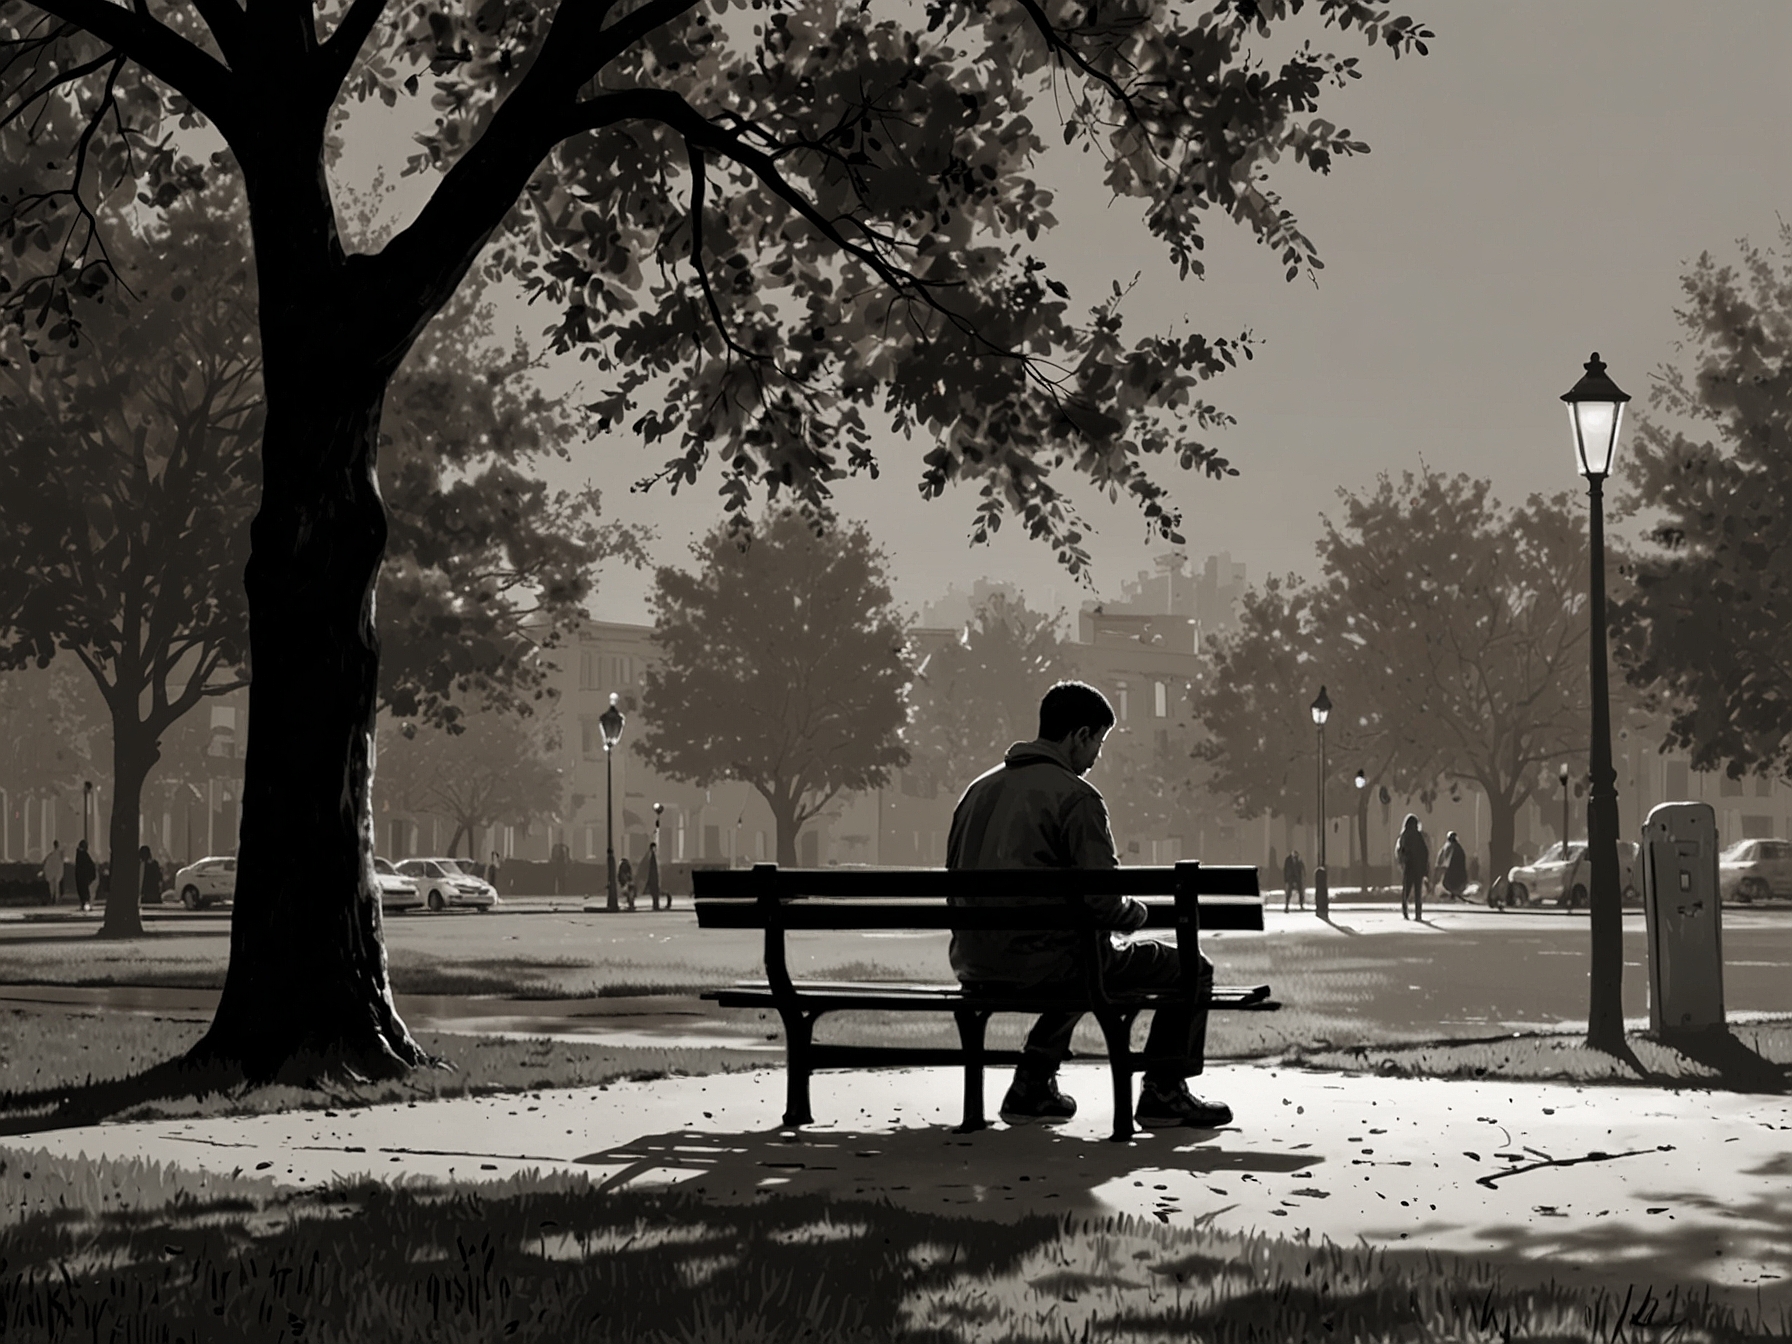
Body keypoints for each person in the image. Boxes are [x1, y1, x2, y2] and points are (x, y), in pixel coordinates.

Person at [946, 680, 1231, 1131]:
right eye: (1098, 741)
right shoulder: (1076, 797)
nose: (1097, 755)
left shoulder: (976, 792)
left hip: (976, 961)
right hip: (1049, 961)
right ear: (1079, 735)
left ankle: (1033, 1085)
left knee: (1084, 954)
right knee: (1189, 966)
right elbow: (1103, 901)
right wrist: (1136, 914)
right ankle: (1164, 1090)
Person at [1395, 814, 1429, 920]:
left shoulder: (1404, 835)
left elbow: (1401, 851)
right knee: (1417, 893)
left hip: (1409, 867)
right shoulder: (1419, 836)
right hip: (1418, 868)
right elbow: (1425, 852)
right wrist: (1424, 868)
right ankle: (1418, 914)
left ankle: (1405, 911)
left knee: (1407, 891)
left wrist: (1403, 862)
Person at [1435, 830, 1468, 903]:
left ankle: (1452, 895)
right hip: (1455, 874)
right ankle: (1453, 895)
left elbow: (1441, 861)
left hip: (1450, 874)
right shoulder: (1457, 848)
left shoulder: (1447, 847)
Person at [74, 839, 97, 914]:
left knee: (83, 891)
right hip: (84, 878)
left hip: (80, 877)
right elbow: (90, 866)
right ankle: (86, 904)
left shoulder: (79, 855)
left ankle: (84, 904)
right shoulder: (84, 855)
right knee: (86, 891)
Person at [1281, 849, 1305, 914]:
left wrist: (1302, 877)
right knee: (1288, 893)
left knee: (1301, 892)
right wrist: (1286, 879)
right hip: (1290, 879)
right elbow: (1285, 870)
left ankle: (1301, 905)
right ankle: (1286, 906)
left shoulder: (1299, 860)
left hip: (1297, 878)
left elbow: (1302, 868)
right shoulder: (1288, 860)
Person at [41, 840, 64, 905]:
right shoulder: (58, 853)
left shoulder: (53, 853)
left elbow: (45, 861)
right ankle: (55, 899)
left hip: (53, 871)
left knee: (53, 886)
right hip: (55, 870)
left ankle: (54, 899)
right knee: (56, 885)